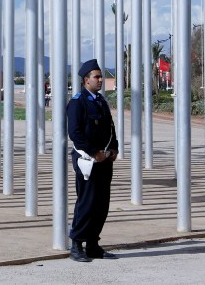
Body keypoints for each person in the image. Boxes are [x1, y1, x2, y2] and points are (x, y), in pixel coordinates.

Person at [66, 58, 118, 262]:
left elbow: (111, 128)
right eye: (96, 77)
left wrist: (114, 148)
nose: (100, 80)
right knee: (87, 203)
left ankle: (93, 244)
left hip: (104, 160)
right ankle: (77, 244)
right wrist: (93, 152)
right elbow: (75, 133)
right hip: (87, 160)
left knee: (101, 204)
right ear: (86, 80)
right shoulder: (78, 102)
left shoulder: (101, 101)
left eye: (100, 76)